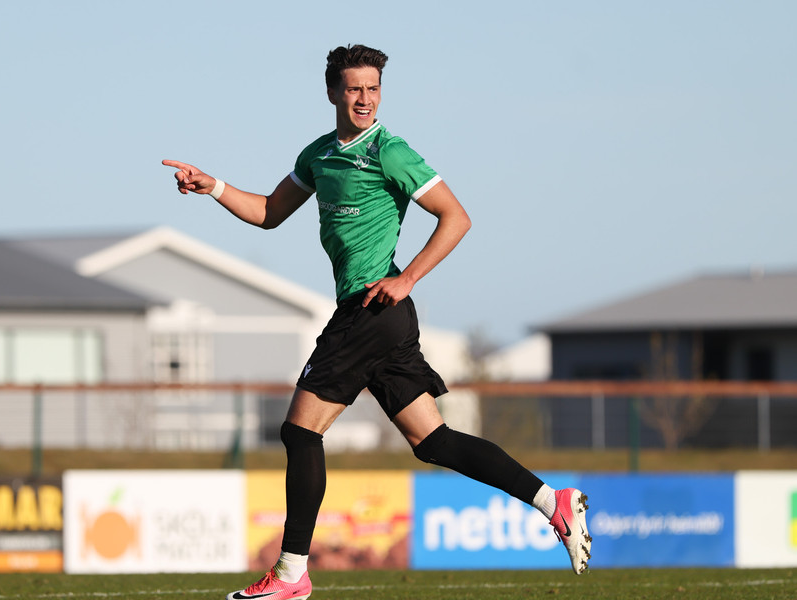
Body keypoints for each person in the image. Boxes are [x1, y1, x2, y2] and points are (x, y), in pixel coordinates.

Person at [164, 44, 591, 600]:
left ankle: (291, 574)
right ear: (332, 92)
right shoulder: (319, 155)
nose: (364, 98)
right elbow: (269, 213)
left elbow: (456, 217)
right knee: (433, 441)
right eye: (354, 88)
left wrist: (407, 277)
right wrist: (214, 187)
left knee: (300, 431)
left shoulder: (390, 151)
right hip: (381, 318)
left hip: (371, 309)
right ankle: (552, 501)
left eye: (373, 88)